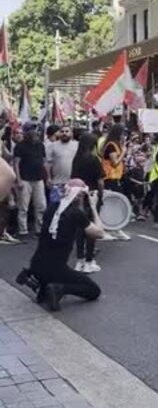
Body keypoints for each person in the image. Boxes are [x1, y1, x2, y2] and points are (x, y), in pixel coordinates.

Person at [21, 179, 103, 312]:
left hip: (36, 265)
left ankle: (44, 288)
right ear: (80, 196)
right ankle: (59, 289)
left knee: (52, 275)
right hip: (56, 269)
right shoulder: (76, 214)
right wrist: (93, 207)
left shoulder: (52, 208)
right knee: (94, 290)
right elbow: (99, 233)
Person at [71, 133, 105, 272]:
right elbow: (100, 181)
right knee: (92, 228)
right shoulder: (94, 160)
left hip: (78, 194)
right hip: (92, 195)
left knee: (80, 228)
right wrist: (101, 195)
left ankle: (80, 260)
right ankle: (89, 261)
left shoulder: (76, 159)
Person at [14, 122, 48, 237]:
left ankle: (39, 230)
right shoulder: (20, 146)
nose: (33, 131)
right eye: (30, 129)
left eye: (34, 129)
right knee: (23, 207)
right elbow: (16, 164)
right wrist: (18, 180)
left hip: (38, 179)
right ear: (25, 132)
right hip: (24, 179)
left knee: (41, 206)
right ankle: (23, 230)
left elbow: (44, 162)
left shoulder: (40, 145)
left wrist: (46, 177)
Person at [47, 124, 78, 192]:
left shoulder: (77, 145)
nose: (64, 133)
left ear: (71, 133)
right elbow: (48, 164)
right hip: (56, 183)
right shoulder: (52, 146)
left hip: (73, 183)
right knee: (56, 202)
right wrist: (48, 178)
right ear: (59, 133)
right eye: (62, 131)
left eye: (67, 131)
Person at [101, 124, 126, 191]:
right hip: (110, 178)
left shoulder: (117, 145)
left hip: (116, 177)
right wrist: (123, 152)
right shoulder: (111, 146)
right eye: (123, 134)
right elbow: (114, 163)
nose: (124, 136)